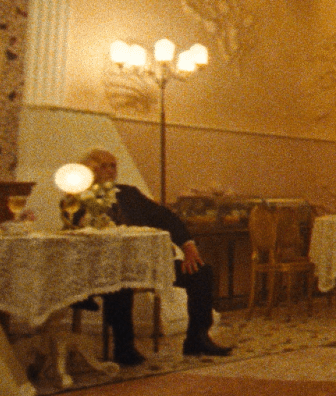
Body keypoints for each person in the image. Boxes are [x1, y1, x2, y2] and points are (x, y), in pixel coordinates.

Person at [75, 149, 231, 365]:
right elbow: (73, 230)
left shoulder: (128, 193)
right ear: (90, 169)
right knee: (120, 283)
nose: (111, 171)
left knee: (201, 272)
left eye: (113, 165)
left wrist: (187, 245)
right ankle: (124, 347)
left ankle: (197, 338)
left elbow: (165, 217)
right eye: (104, 166)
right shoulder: (79, 197)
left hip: (145, 264)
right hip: (108, 268)